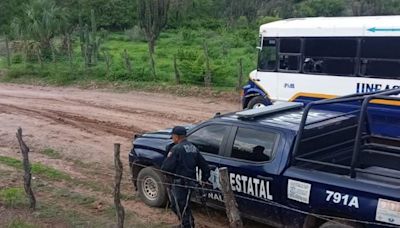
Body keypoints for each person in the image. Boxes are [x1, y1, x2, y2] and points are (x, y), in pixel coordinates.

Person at [161, 126, 210, 228]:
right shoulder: (193, 148)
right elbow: (205, 166)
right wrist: (204, 179)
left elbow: (165, 167)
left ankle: (187, 225)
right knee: (184, 205)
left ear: (177, 137)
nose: (172, 138)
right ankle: (187, 223)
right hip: (190, 183)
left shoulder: (176, 149)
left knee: (177, 206)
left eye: (173, 136)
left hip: (179, 183)